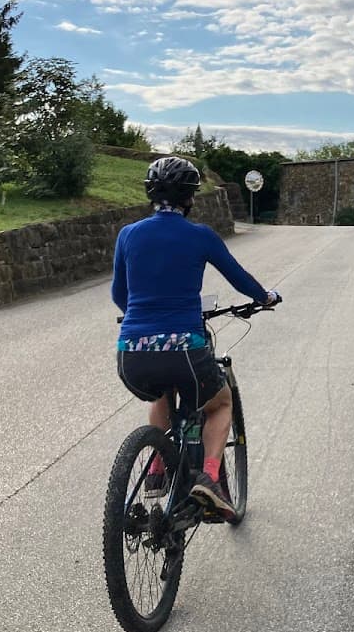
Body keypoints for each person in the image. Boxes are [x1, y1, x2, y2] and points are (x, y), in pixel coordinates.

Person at [111, 155, 281, 519]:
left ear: (151, 194)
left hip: (131, 353)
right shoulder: (200, 235)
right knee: (219, 403)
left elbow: (118, 296)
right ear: (190, 197)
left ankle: (157, 469)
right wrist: (264, 298)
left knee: (160, 391)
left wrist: (142, 314)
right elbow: (239, 278)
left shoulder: (128, 234)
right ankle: (211, 479)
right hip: (185, 349)